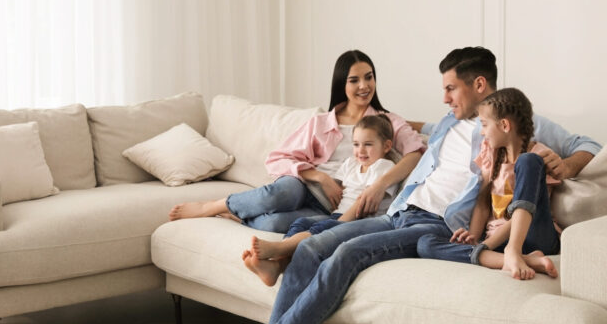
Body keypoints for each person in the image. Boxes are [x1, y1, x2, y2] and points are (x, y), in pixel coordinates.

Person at [225, 46, 602, 324]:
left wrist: (566, 165)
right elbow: (411, 135)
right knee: (310, 247)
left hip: (435, 225)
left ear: (480, 85)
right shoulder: (444, 123)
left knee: (345, 255)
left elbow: (590, 144)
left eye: (451, 88)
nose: (445, 98)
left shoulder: (509, 119)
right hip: (399, 213)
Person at [168, 50, 425, 233]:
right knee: (284, 191)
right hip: (304, 187)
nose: (364, 86)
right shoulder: (322, 122)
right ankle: (214, 205)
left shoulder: (386, 122)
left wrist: (380, 185)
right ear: (341, 84)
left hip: (333, 208)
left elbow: (416, 153)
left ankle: (238, 215)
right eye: (354, 80)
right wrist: (320, 177)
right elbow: (277, 159)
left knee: (272, 225)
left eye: (369, 77)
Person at [417, 87, 561, 279]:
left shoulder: (538, 156)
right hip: (497, 243)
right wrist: (474, 238)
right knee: (425, 243)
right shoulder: (491, 155)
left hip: (533, 234)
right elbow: (483, 205)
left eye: (484, 125)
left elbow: (529, 212)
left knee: (529, 160)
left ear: (504, 125)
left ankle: (513, 252)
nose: (482, 133)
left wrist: (489, 246)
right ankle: (523, 260)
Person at [243, 114, 400, 286]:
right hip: (338, 215)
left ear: (386, 146)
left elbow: (361, 203)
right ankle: (278, 264)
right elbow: (339, 189)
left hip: (360, 221)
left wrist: (339, 222)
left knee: (321, 228)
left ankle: (279, 249)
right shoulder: (351, 164)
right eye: (356, 144)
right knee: (302, 222)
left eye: (368, 145)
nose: (360, 151)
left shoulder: (384, 167)